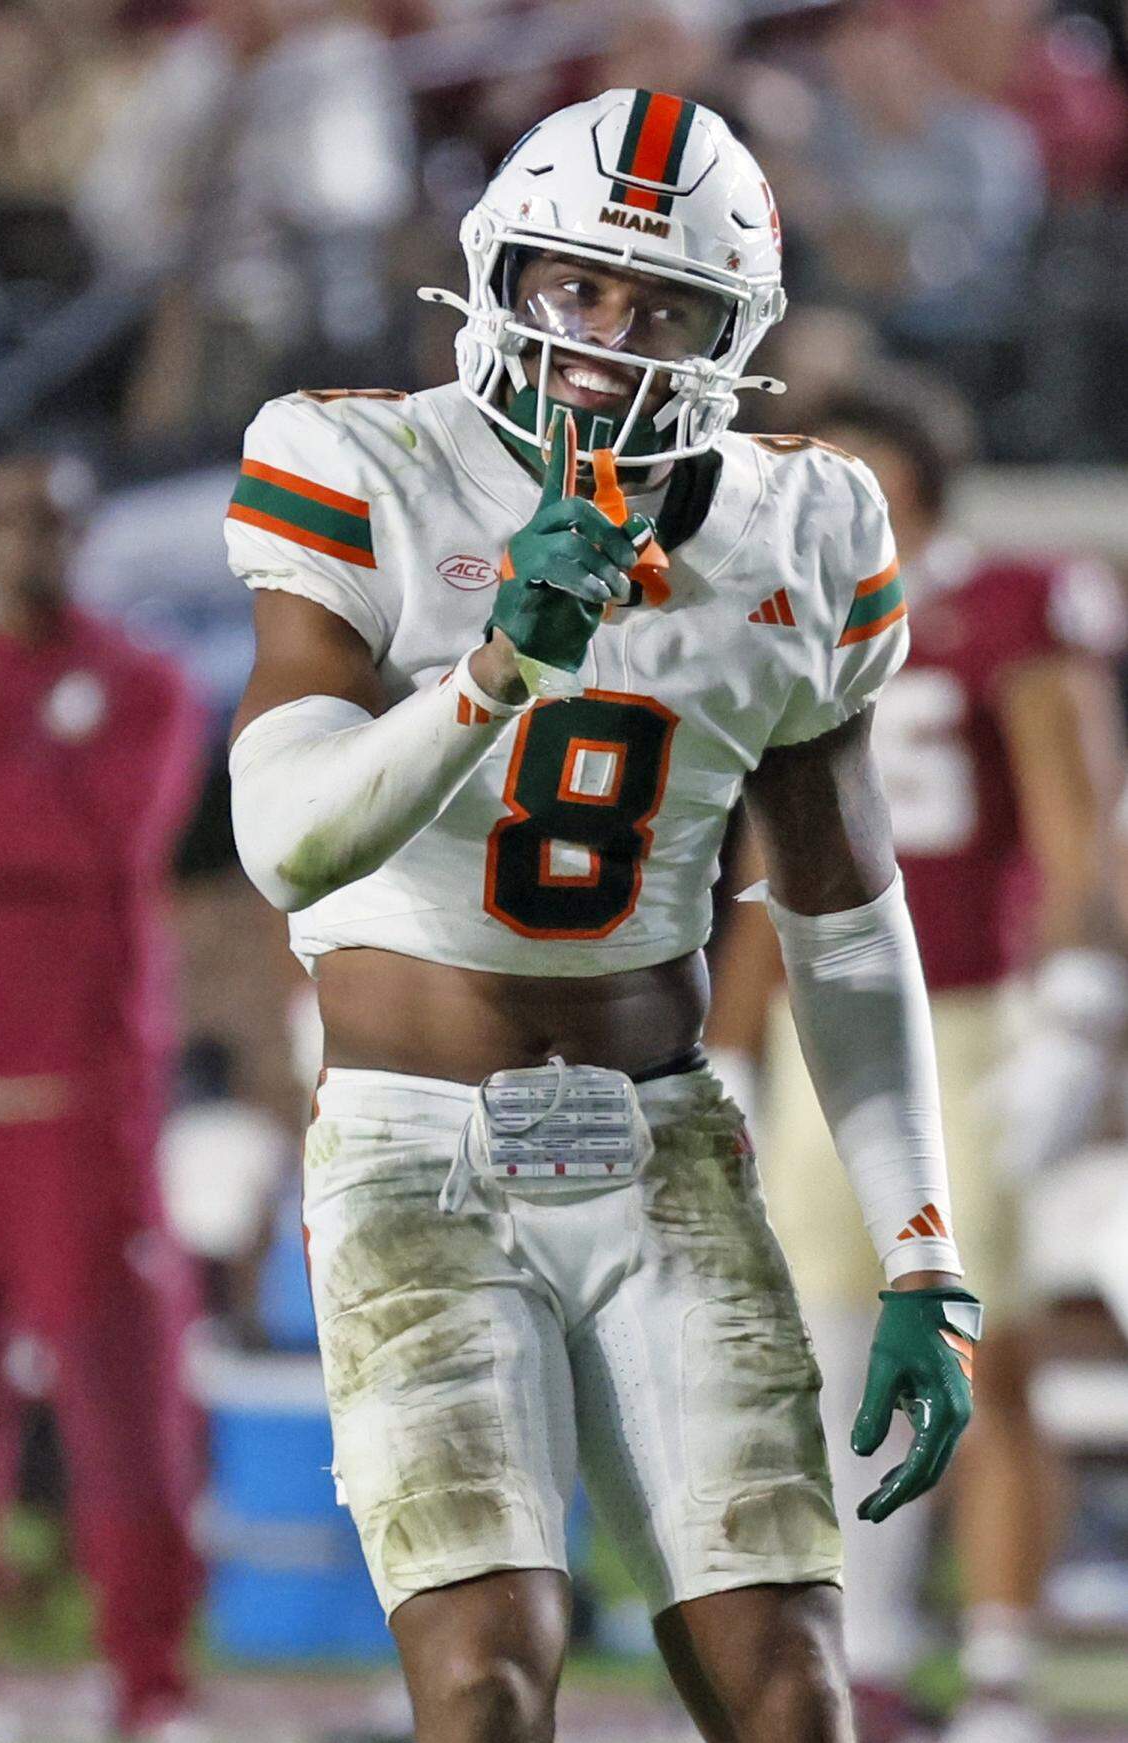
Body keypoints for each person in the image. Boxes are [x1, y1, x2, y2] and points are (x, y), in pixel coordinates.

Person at [226, 90, 982, 1743]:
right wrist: (495, 667)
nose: (604, 338)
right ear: (501, 273)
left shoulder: (811, 523)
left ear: (738, 333)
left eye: (661, 307)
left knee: (793, 1697)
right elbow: (285, 841)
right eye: (575, 287)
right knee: (489, 1685)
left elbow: (846, 924)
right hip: (413, 1146)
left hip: (661, 1139)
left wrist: (925, 1255)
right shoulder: (361, 461)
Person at [706, 374, 1128, 1743]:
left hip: (972, 1012)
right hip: (825, 1016)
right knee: (827, 1351)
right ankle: (872, 1652)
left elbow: (1076, 819)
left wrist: (1076, 1001)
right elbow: (770, 859)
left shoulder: (1010, 596)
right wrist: (728, 1047)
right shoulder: (786, 626)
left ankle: (1001, 1670)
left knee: (972, 1347)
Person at [0, 453, 207, 1743]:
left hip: (77, 1100)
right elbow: (49, 836)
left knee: (122, 1404)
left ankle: (150, 1685)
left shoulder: (140, 682)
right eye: (8, 517)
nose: (29, 540)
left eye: (51, 519)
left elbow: (105, 842)